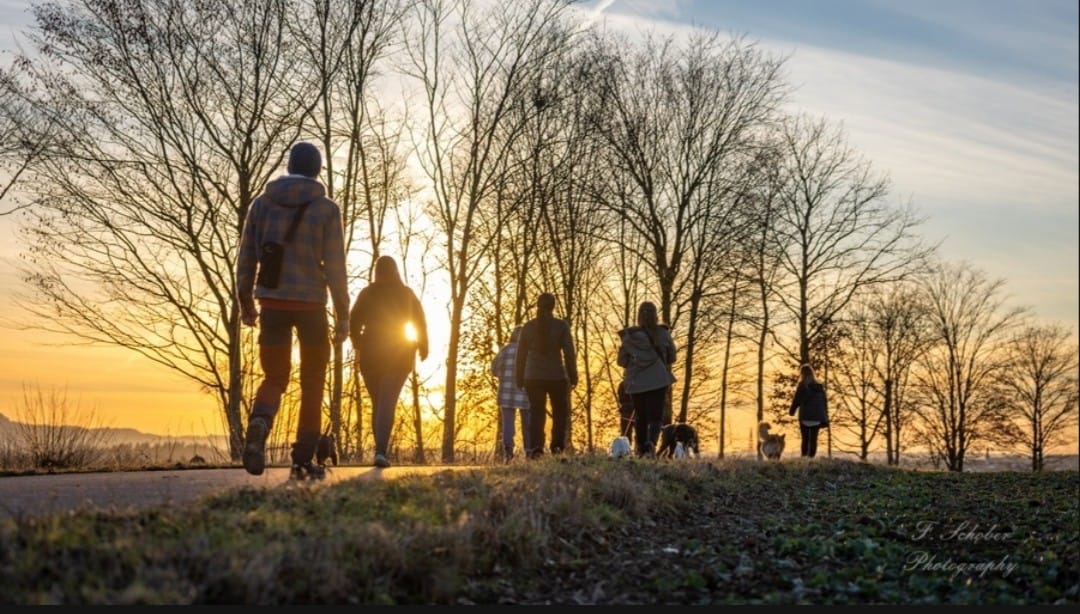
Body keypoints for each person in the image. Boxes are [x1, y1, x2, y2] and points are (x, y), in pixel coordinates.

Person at [237, 141, 350, 481]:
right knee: (313, 381)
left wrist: (246, 304)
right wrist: (343, 316)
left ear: (288, 166)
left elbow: (246, 259)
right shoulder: (326, 210)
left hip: (271, 305)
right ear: (317, 171)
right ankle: (302, 459)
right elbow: (336, 268)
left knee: (274, 377)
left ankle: (259, 424)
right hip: (311, 308)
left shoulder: (261, 205)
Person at [349, 255, 428, 468]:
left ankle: (380, 450)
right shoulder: (405, 293)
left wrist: (357, 343)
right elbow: (420, 321)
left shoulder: (368, 293)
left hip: (372, 353)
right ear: (396, 272)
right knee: (384, 402)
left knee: (381, 402)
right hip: (397, 352)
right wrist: (423, 345)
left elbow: (353, 321)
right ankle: (380, 451)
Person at [515, 292, 577, 458]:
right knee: (559, 413)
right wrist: (572, 374)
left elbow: (520, 354)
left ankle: (536, 448)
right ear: (553, 306)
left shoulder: (528, 327)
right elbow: (569, 352)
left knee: (536, 413)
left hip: (532, 376)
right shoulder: (561, 326)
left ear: (538, 305)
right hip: (556, 375)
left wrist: (519, 377)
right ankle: (557, 448)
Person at [617, 301, 676, 457]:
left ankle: (641, 447)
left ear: (639, 316)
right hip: (658, 380)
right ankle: (652, 442)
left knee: (641, 416)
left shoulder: (629, 337)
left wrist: (634, 359)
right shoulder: (664, 334)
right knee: (656, 416)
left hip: (636, 382)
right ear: (656, 315)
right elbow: (672, 357)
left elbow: (621, 361)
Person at [491, 326, 531, 462]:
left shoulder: (505, 350)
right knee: (527, 424)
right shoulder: (529, 352)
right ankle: (529, 451)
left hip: (506, 393)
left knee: (508, 425)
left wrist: (504, 376)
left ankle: (508, 452)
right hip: (525, 393)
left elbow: (494, 369)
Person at [788, 363, 829, 458]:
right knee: (814, 439)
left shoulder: (802, 386)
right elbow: (824, 403)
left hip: (805, 417)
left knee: (805, 438)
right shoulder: (819, 387)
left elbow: (796, 400)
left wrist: (792, 411)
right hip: (817, 418)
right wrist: (825, 417)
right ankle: (811, 458)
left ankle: (804, 457)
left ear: (802, 374)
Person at [617, 379, 635, 447]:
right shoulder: (623, 384)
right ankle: (626, 449)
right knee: (626, 433)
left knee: (626, 433)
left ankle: (627, 448)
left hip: (631, 410)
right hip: (630, 410)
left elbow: (620, 399)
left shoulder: (622, 384)